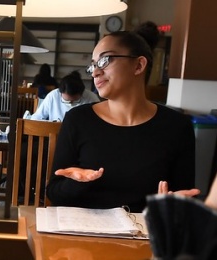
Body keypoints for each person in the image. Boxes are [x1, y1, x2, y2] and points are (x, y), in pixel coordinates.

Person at [46, 22, 196, 212]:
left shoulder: (177, 127)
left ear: (139, 65)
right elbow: (54, 192)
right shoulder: (78, 119)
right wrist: (78, 183)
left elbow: (185, 198)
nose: (96, 72)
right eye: (93, 66)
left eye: (104, 60)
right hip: (84, 234)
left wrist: (174, 207)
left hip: (144, 236)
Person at [31, 70, 100, 121]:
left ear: (82, 93)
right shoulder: (53, 96)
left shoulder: (91, 98)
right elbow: (36, 117)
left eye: (76, 101)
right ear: (60, 92)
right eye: (66, 101)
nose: (70, 104)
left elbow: (100, 122)